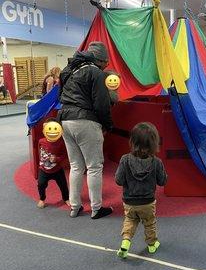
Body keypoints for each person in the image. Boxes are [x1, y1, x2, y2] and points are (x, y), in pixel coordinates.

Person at [59, 42, 113, 219]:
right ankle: (96, 209)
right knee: (94, 167)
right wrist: (107, 125)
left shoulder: (70, 70)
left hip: (65, 120)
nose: (106, 65)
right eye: (106, 62)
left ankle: (75, 207)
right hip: (85, 120)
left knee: (76, 166)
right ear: (100, 60)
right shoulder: (96, 73)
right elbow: (101, 104)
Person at [115, 122, 167, 258]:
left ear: (132, 141)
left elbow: (118, 180)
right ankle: (152, 245)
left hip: (129, 201)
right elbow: (162, 181)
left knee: (130, 220)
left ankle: (126, 241)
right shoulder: (156, 162)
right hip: (148, 202)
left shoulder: (125, 160)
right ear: (154, 143)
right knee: (149, 223)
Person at [37, 118, 70, 209]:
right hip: (43, 169)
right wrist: (41, 164)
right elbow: (40, 153)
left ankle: (66, 198)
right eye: (45, 128)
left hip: (57, 169)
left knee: (63, 185)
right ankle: (42, 199)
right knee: (41, 184)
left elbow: (64, 155)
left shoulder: (61, 142)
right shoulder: (41, 141)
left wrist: (57, 159)